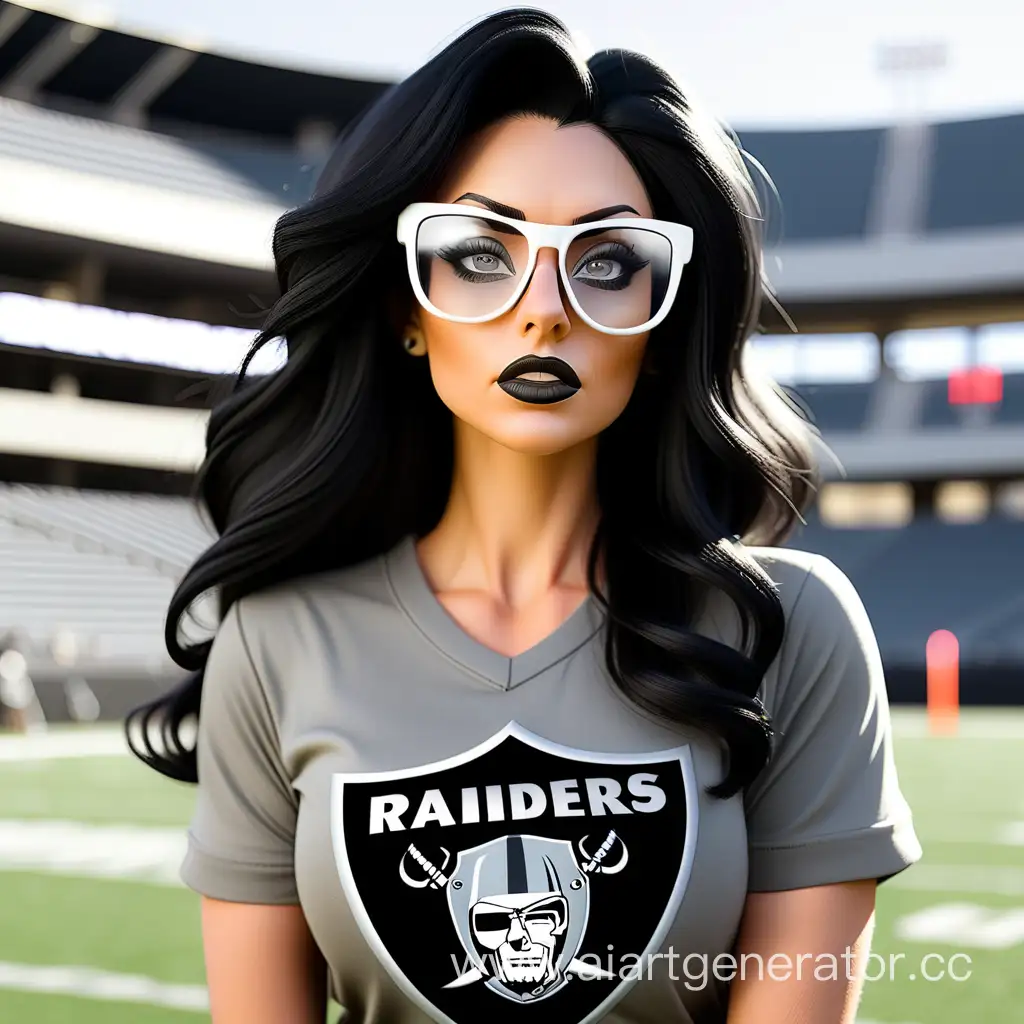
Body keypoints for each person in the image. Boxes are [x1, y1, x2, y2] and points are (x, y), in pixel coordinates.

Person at [126, 9, 922, 1023]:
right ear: (404, 306)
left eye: (605, 259)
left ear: (665, 311)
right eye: (477, 251)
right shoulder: (279, 640)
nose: (543, 306)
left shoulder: (790, 632)